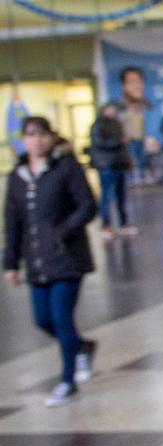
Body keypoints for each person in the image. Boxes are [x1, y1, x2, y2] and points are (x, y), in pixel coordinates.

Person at [4, 117, 99, 407]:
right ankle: (82, 346)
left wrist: (63, 231)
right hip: (37, 260)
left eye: (42, 134)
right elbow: (13, 222)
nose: (37, 140)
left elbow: (88, 205)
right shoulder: (17, 177)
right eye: (31, 135)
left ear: (52, 137)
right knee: (42, 319)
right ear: (23, 140)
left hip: (67, 258)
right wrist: (10, 263)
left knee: (61, 317)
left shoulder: (66, 168)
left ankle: (67, 380)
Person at [89, 102, 137, 240]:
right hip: (106, 164)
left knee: (121, 195)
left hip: (119, 163)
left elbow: (122, 144)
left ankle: (123, 223)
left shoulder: (117, 123)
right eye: (112, 109)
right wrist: (118, 141)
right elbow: (99, 143)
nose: (114, 111)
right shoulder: (98, 125)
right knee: (107, 195)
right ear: (104, 109)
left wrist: (127, 160)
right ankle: (106, 225)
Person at [119, 66, 151, 184]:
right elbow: (121, 125)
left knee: (142, 158)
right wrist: (124, 136)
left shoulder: (144, 110)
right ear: (124, 86)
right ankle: (132, 178)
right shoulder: (123, 112)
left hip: (140, 138)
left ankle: (141, 176)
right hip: (130, 139)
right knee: (132, 159)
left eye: (138, 81)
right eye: (131, 82)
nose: (136, 85)